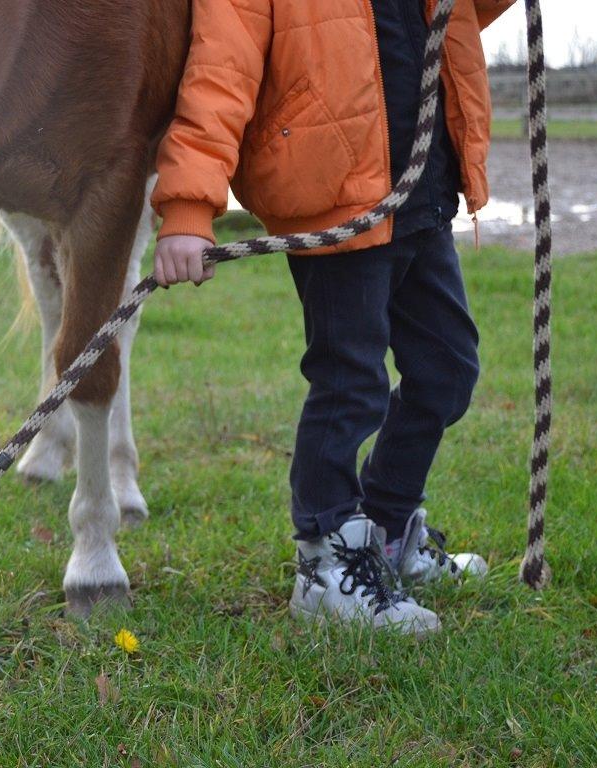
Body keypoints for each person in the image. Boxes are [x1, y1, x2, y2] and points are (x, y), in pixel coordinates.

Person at [151, 0, 516, 634]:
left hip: (423, 190)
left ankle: (389, 528)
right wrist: (188, 205)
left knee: (448, 369)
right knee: (351, 383)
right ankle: (325, 562)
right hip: (332, 200)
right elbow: (219, 73)